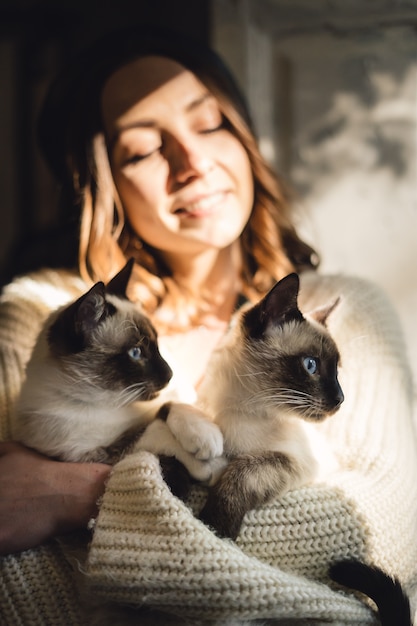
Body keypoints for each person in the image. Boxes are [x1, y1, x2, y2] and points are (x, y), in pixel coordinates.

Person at [0, 24, 416, 625]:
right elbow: (27, 586)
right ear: (102, 183)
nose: (191, 163)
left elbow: (381, 535)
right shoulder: (40, 314)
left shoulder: (344, 313)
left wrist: (73, 499)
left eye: (209, 122)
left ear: (244, 138)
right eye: (143, 149)